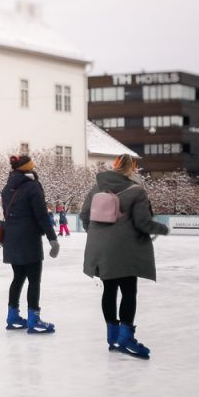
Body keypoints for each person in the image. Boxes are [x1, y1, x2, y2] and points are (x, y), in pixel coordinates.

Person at [80, 154, 168, 359]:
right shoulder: (136, 191)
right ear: (133, 168)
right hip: (126, 250)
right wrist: (162, 229)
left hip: (101, 250)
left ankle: (113, 338)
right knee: (128, 291)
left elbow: (85, 217)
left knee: (109, 290)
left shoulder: (96, 188)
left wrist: (99, 235)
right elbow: (143, 223)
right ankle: (126, 338)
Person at [1, 155, 60, 333]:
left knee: (18, 278)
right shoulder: (32, 187)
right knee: (34, 280)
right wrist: (52, 238)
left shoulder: (7, 187)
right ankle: (34, 319)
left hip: (11, 238)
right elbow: (41, 215)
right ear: (29, 168)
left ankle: (12, 316)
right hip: (28, 239)